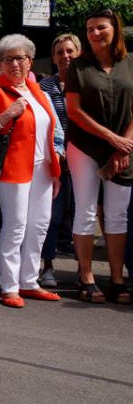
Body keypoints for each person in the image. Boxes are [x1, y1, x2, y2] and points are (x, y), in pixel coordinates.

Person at [0, 34, 61, 308]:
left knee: (39, 225)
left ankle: (29, 281)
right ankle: (10, 285)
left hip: (43, 167)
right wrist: (7, 114)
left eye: (20, 58)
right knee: (15, 226)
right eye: (8, 59)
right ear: (0, 64)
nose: (15, 64)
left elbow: (51, 131)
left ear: (30, 62)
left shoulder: (38, 91)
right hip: (13, 168)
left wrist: (55, 167)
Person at [66, 8, 133, 303]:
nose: (94, 33)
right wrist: (111, 138)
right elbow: (74, 111)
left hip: (123, 148)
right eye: (90, 29)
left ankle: (117, 279)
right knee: (85, 211)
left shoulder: (130, 63)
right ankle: (87, 277)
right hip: (85, 146)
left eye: (101, 27)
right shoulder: (78, 67)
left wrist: (123, 145)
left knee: (118, 215)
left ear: (115, 29)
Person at [38, 33, 81, 289]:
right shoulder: (46, 86)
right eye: (60, 52)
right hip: (55, 159)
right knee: (52, 215)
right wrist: (56, 151)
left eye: (69, 51)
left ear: (78, 53)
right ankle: (48, 265)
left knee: (80, 215)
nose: (65, 56)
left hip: (84, 158)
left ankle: (83, 267)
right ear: (53, 57)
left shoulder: (87, 83)